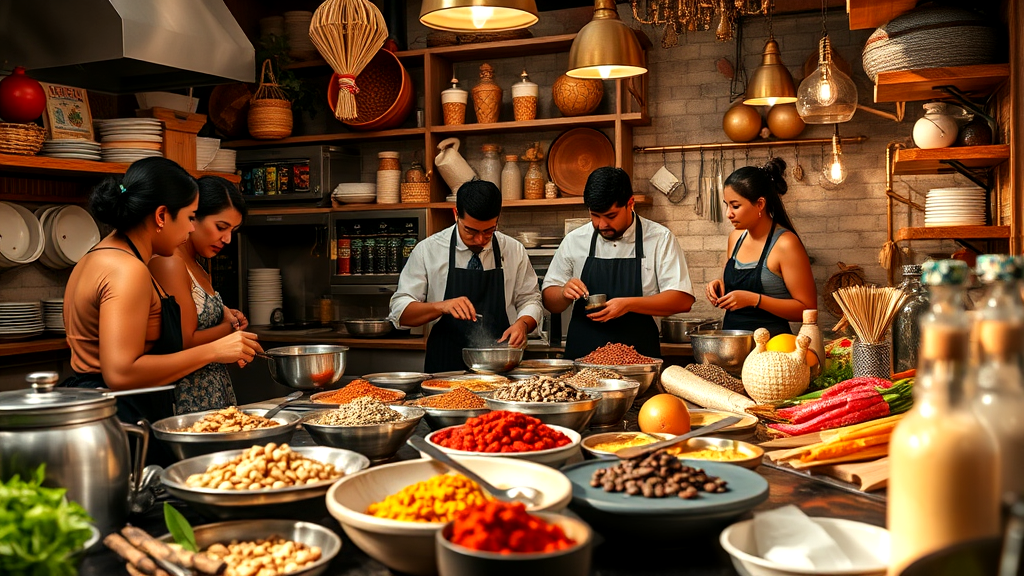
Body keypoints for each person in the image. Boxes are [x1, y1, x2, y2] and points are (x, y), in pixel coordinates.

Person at [63, 158, 262, 424]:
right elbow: (120, 374)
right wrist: (215, 350)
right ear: (161, 216)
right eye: (190, 217)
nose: (192, 228)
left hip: (107, 409)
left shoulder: (101, 256)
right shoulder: (126, 270)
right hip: (119, 416)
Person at [389, 180, 543, 373]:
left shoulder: (513, 250)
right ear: (455, 214)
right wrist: (440, 306)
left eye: (488, 231)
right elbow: (399, 312)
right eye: (471, 231)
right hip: (445, 370)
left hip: (502, 368)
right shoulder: (428, 250)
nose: (480, 240)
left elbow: (531, 300)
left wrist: (523, 324)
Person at [542, 167, 695, 359]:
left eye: (611, 216)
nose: (602, 225)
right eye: (595, 215)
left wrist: (628, 305)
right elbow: (550, 301)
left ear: (630, 203)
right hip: (582, 363)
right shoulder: (575, 240)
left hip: (638, 362)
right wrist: (564, 292)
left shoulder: (659, 239)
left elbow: (683, 300)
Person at [148, 176, 248, 414]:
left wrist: (227, 317)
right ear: (193, 217)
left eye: (232, 230)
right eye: (221, 227)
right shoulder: (169, 263)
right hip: (190, 394)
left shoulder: (199, 266)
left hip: (214, 389)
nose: (227, 239)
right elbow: (184, 340)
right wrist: (230, 327)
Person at [705, 157, 816, 336]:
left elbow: (807, 310)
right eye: (727, 205)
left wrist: (755, 300)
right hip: (733, 346)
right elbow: (736, 288)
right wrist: (719, 286)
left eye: (735, 206)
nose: (728, 214)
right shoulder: (735, 238)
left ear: (760, 204)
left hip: (773, 350)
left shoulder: (785, 243)